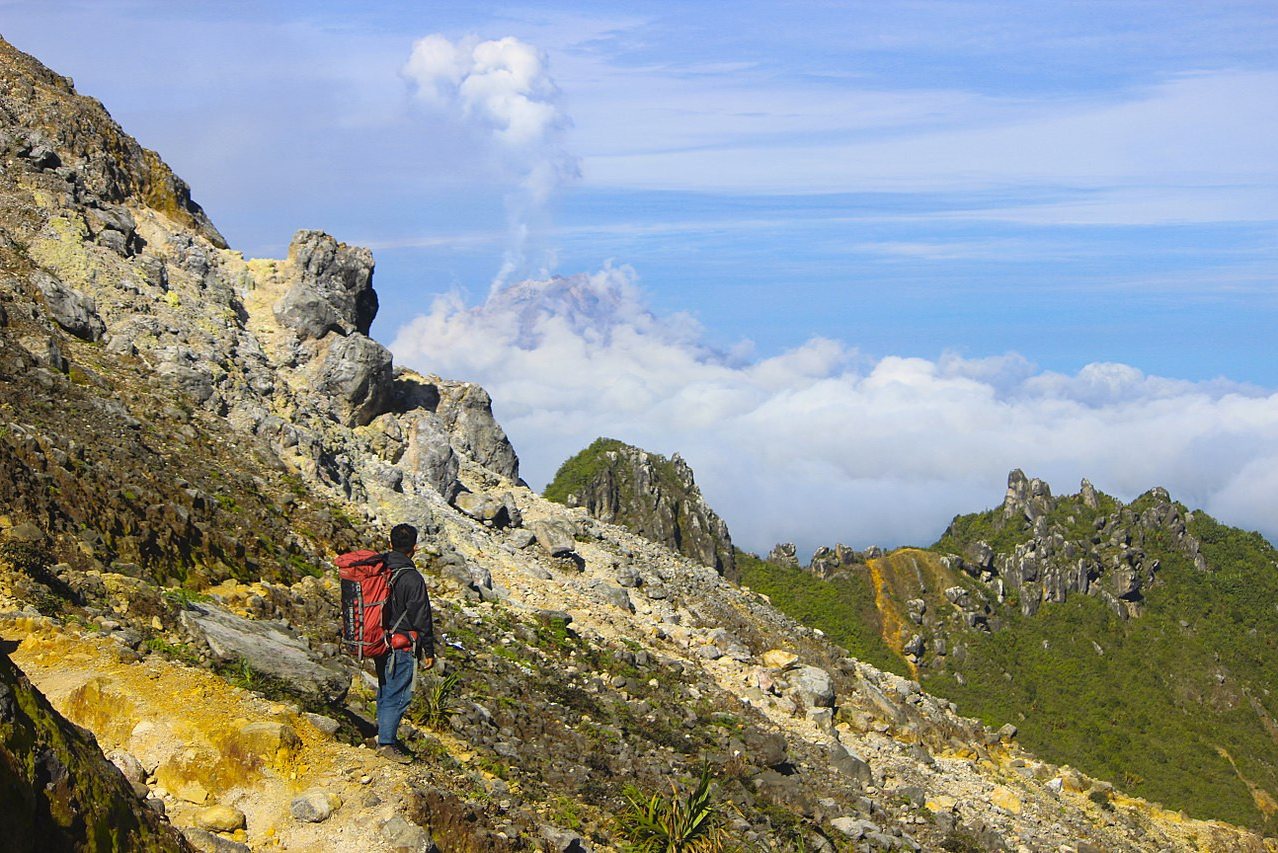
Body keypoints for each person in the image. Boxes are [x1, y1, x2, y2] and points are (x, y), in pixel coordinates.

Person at [374, 522, 435, 763]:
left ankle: (383, 735)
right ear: (415, 548)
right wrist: (428, 650)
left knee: (385, 687)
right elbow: (422, 617)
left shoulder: (378, 570)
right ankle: (386, 743)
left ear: (390, 544)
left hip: (379, 639)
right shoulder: (413, 578)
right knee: (398, 694)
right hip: (402, 644)